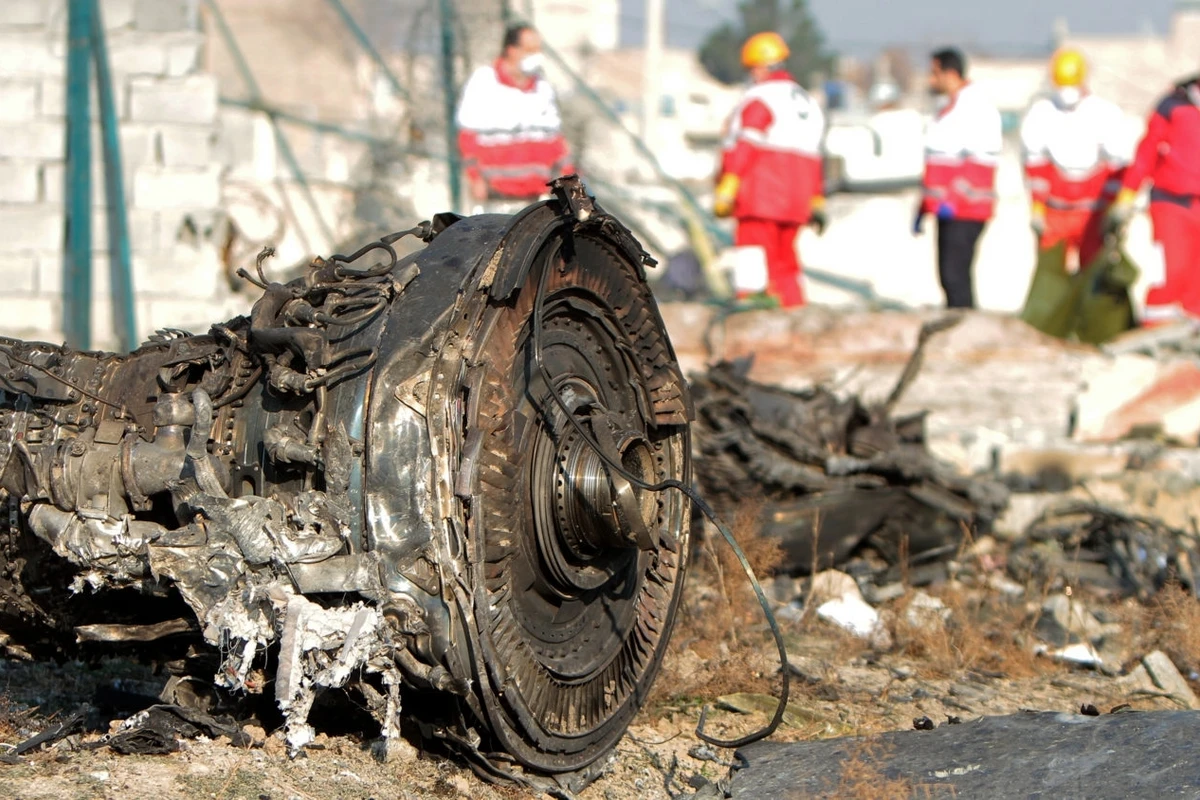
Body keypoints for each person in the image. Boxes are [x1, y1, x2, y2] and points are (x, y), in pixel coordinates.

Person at [713, 31, 826, 308]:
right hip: (797, 201)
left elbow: (745, 146)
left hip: (760, 197)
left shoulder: (759, 98)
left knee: (752, 259)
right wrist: (816, 199)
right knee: (785, 265)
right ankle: (795, 316)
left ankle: (749, 319)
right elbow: (815, 156)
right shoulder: (808, 103)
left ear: (761, 66)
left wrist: (728, 186)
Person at [1020, 49, 1127, 271]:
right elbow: (1035, 165)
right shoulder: (1042, 112)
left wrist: (1114, 206)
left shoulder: (1104, 112)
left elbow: (1118, 164)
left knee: (1094, 272)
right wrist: (1038, 209)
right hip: (1055, 211)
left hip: (1093, 211)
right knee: (1051, 272)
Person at [1107, 74, 1200, 323]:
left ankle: (1192, 342)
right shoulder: (1173, 105)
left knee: (1197, 283)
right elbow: (1147, 151)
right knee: (1170, 273)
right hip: (1171, 202)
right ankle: (1154, 330)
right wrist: (1126, 196)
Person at [915, 48, 1002, 309]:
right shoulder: (949, 110)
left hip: (965, 210)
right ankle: (958, 327)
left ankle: (965, 334)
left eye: (935, 73)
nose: (931, 80)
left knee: (956, 277)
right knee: (948, 276)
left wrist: (953, 199)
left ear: (950, 74)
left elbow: (978, 164)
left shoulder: (975, 109)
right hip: (948, 211)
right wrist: (923, 206)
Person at [455, 24, 574, 212]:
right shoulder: (484, 83)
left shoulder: (542, 87)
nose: (537, 56)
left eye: (538, 50)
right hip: (495, 200)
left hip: (537, 198)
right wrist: (475, 178)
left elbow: (555, 140)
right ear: (511, 50)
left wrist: (568, 178)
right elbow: (467, 137)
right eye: (530, 50)